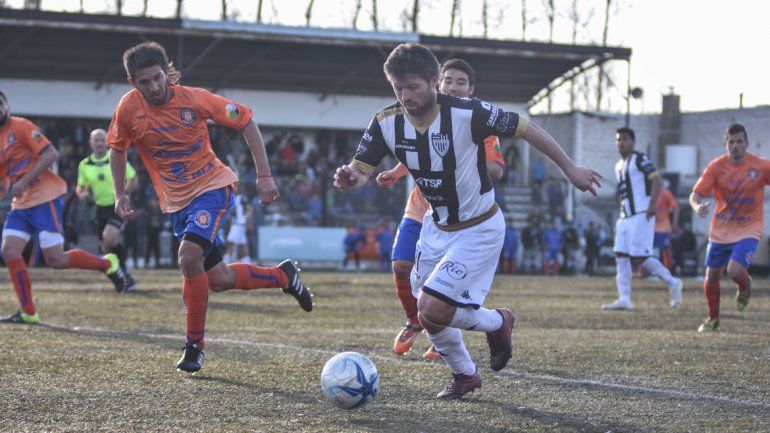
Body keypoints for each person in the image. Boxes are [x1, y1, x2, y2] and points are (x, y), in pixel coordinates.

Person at [333, 43, 601, 399]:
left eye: (413, 86)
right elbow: (361, 168)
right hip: (435, 226)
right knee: (429, 316)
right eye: (398, 87)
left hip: (479, 228)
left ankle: (492, 326)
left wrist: (570, 169)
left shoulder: (469, 113)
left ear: (432, 81)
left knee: (430, 307)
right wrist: (351, 177)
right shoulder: (386, 122)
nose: (405, 95)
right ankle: (470, 368)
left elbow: (526, 127)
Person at [107, 42, 313, 372]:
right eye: (144, 82)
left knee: (189, 257)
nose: (154, 87)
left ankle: (194, 346)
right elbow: (117, 149)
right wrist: (120, 194)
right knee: (219, 278)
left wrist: (264, 175)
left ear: (167, 72)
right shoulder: (128, 108)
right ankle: (284, 276)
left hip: (212, 187)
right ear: (133, 82)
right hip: (176, 201)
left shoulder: (195, 99)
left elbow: (245, 119)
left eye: (158, 77)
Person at [375, 58, 506, 362]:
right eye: (449, 81)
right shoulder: (423, 111)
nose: (454, 87)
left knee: (439, 290)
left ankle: (440, 329)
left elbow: (496, 169)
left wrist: (464, 170)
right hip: (422, 207)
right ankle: (414, 319)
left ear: (471, 89)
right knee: (400, 266)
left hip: (461, 216)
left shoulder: (478, 120)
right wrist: (397, 171)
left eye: (462, 82)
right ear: (437, 83)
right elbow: (416, 147)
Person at [0, 91, 126, 324]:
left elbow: (51, 154)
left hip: (44, 197)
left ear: (7, 105)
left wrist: (24, 181)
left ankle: (108, 263)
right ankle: (28, 312)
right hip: (22, 203)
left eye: (1, 103)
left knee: (56, 259)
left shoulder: (20, 126)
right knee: (9, 251)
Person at [689, 123, 770, 332]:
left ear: (747, 143)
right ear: (725, 144)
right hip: (721, 230)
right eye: (731, 142)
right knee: (712, 275)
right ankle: (713, 319)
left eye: (739, 141)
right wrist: (697, 206)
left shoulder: (760, 166)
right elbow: (695, 194)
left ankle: (744, 286)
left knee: (734, 271)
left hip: (749, 228)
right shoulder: (716, 167)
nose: (735, 146)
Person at [602, 127, 683, 311]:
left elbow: (657, 180)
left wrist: (652, 204)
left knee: (640, 257)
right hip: (625, 217)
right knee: (621, 256)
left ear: (632, 141)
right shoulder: (618, 165)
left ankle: (673, 282)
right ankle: (625, 299)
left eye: (624, 139)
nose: (621, 143)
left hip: (641, 214)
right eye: (618, 139)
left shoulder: (640, 159)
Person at [76, 128, 137, 291]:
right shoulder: (84, 165)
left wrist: (125, 194)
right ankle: (123, 278)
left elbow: (133, 179)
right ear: (91, 143)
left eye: (102, 140)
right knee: (105, 247)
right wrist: (82, 194)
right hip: (99, 208)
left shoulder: (115, 157)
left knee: (109, 237)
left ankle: (123, 271)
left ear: (107, 141)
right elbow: (81, 187)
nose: (100, 143)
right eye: (96, 140)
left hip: (116, 205)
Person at [653, 183, 679, 272]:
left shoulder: (666, 194)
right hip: (651, 227)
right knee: (646, 250)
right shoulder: (649, 193)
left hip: (663, 227)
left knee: (666, 250)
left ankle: (667, 271)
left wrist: (674, 223)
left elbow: (676, 207)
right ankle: (644, 272)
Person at [224, 193, 252, 264]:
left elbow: (249, 208)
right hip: (240, 225)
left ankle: (226, 261)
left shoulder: (240, 197)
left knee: (230, 242)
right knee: (242, 244)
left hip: (238, 224)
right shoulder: (235, 198)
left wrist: (247, 220)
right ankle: (246, 261)